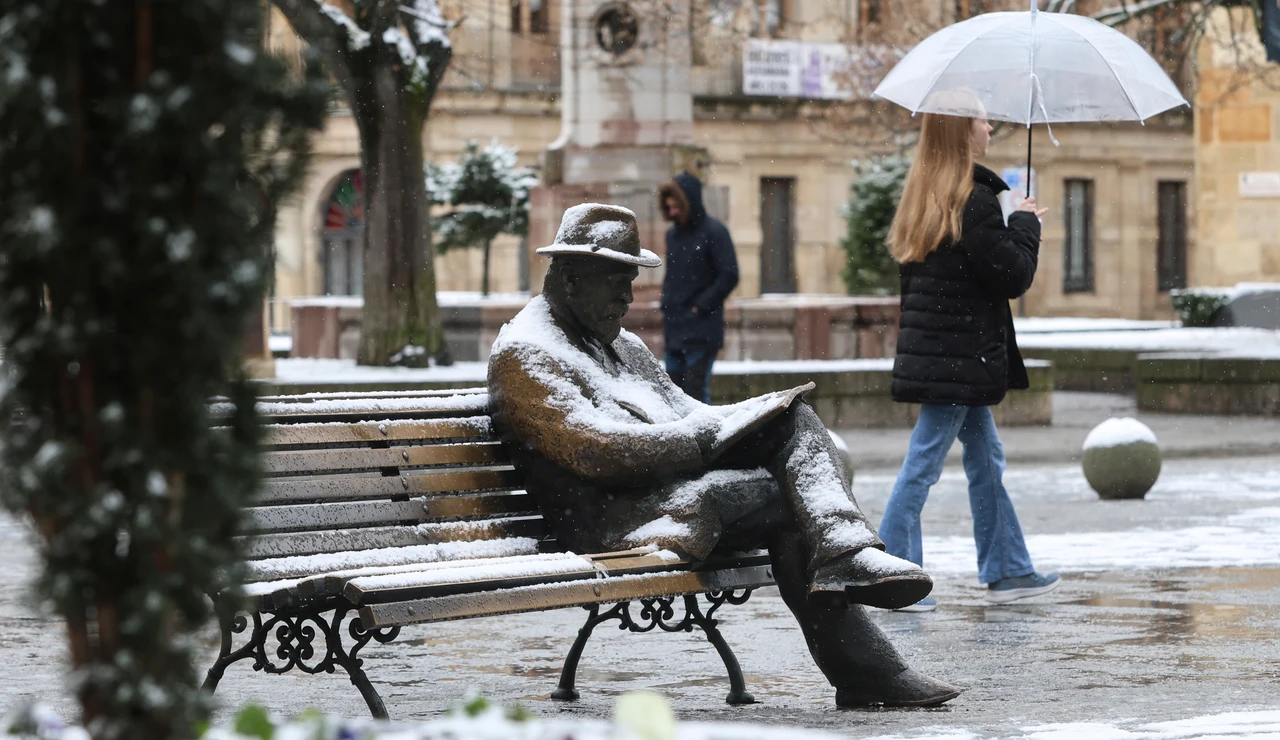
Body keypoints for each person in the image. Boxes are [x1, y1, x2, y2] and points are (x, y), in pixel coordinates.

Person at [488, 202, 961, 708]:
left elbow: (683, 409)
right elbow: (598, 452)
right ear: (570, 279)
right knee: (789, 500)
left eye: (633, 280)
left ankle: (845, 559)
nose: (629, 297)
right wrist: (705, 436)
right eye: (616, 281)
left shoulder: (619, 344)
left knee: (793, 420)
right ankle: (861, 640)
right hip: (613, 519)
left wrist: (750, 417)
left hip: (668, 494)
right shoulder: (527, 353)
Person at [878, 107, 1061, 613]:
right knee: (924, 461)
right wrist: (1024, 224)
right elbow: (1011, 276)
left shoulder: (927, 196)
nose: (989, 128)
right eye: (981, 121)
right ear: (961, 131)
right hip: (961, 356)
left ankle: (1008, 569)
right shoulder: (973, 199)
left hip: (946, 354)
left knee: (985, 459)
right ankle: (887, 574)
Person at [658, 172, 738, 403]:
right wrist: (668, 304)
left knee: (695, 393)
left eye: (676, 206)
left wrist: (701, 306)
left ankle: (705, 439)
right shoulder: (672, 235)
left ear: (688, 202)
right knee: (672, 394)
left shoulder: (714, 232)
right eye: (668, 207)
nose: (672, 212)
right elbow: (673, 277)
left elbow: (729, 274)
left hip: (702, 330)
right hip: (675, 328)